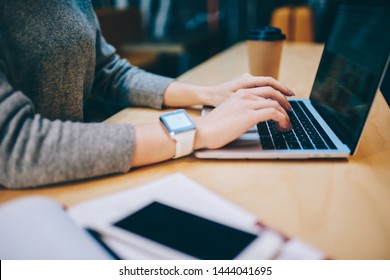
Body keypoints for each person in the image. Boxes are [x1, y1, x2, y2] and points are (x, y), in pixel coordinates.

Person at [0, 0, 293, 189]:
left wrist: (211, 94)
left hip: (68, 181)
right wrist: (197, 131)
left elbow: (108, 71)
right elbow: (13, 146)